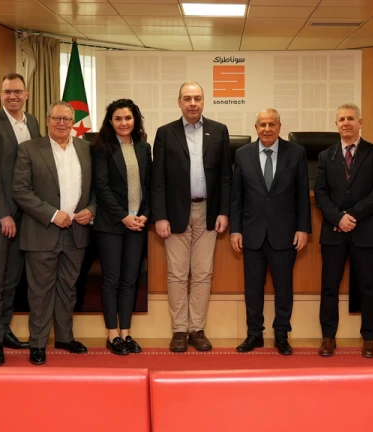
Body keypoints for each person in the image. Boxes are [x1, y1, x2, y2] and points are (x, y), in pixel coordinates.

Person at [13, 101, 96, 365]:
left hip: (77, 231)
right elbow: (21, 190)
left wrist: (91, 210)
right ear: (47, 120)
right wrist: (52, 214)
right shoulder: (29, 149)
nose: (62, 123)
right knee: (40, 292)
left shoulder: (86, 149)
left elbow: (96, 188)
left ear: (73, 123)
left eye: (67, 119)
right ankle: (38, 343)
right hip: (42, 230)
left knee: (68, 289)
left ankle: (64, 337)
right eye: (56, 118)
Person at [151, 81, 232, 352]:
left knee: (202, 273)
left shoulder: (219, 131)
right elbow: (158, 179)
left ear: (203, 101)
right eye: (187, 98)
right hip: (175, 212)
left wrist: (223, 211)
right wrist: (160, 216)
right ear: (179, 102)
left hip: (208, 211)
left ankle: (197, 329)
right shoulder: (165, 133)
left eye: (197, 98)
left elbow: (226, 176)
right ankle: (179, 330)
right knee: (176, 274)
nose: (193, 103)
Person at [230, 109, 311, 356]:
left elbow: (302, 194)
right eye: (263, 124)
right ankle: (254, 333)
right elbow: (236, 197)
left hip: (285, 232)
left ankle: (281, 334)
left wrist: (303, 228)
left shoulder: (296, 152)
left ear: (280, 126)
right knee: (252, 288)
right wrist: (236, 230)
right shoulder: (242, 154)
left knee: (283, 287)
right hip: (252, 232)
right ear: (256, 127)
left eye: (272, 124)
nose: (267, 129)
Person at [314, 103, 373, 358]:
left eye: (350, 118)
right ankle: (328, 337)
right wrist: (338, 217)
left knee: (369, 287)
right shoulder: (325, 156)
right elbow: (320, 192)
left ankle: (369, 338)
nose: (346, 123)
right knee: (329, 287)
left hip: (366, 229)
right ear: (336, 125)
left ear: (360, 122)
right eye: (341, 119)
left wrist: (351, 216)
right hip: (334, 231)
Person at [0, 73, 40, 366]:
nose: (13, 96)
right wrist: (3, 213)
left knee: (13, 278)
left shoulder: (33, 122)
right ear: (0, 95)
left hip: (27, 214)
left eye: (17, 91)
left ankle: (4, 330)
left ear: (26, 94)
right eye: (7, 92)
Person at [92, 99, 151, 356]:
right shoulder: (101, 148)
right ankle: (112, 334)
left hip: (138, 224)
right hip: (111, 225)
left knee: (130, 281)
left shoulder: (143, 147)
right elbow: (102, 187)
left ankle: (126, 332)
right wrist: (123, 216)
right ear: (110, 121)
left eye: (128, 118)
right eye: (118, 118)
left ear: (135, 120)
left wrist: (144, 215)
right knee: (111, 280)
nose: (123, 123)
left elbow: (149, 185)